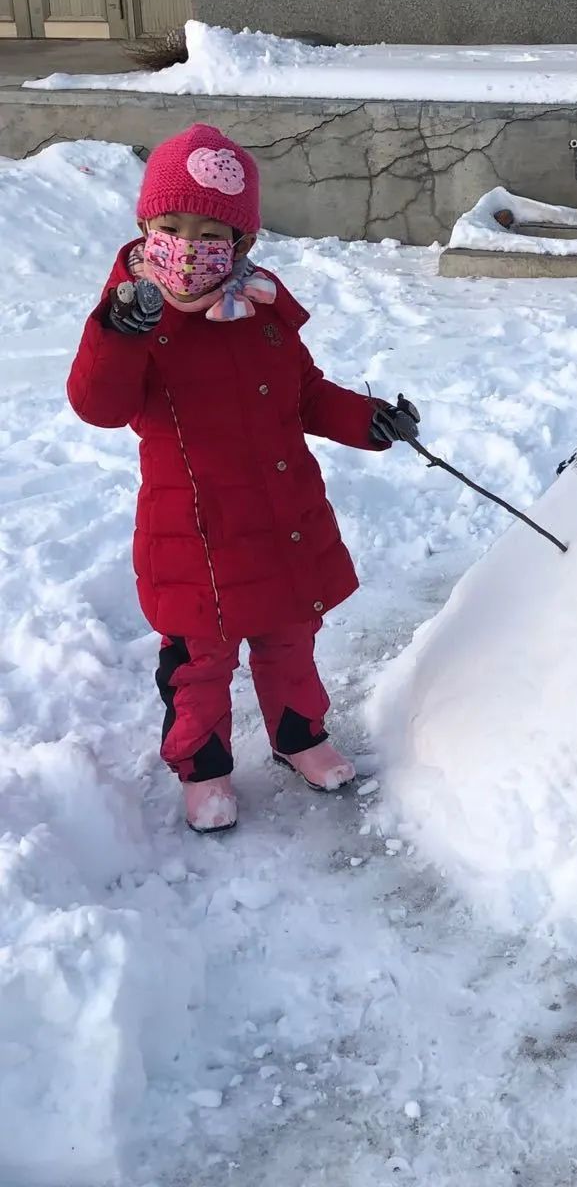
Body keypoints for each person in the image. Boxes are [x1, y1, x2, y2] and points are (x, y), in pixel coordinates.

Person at [67, 124, 419, 834]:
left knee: (291, 639)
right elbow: (98, 405)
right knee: (200, 662)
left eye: (209, 231)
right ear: (145, 225)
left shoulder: (260, 308)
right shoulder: (136, 316)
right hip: (195, 532)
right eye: (171, 226)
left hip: (281, 517)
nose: (188, 246)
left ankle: (301, 738)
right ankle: (205, 769)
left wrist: (370, 420)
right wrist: (119, 329)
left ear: (244, 243)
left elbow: (307, 394)